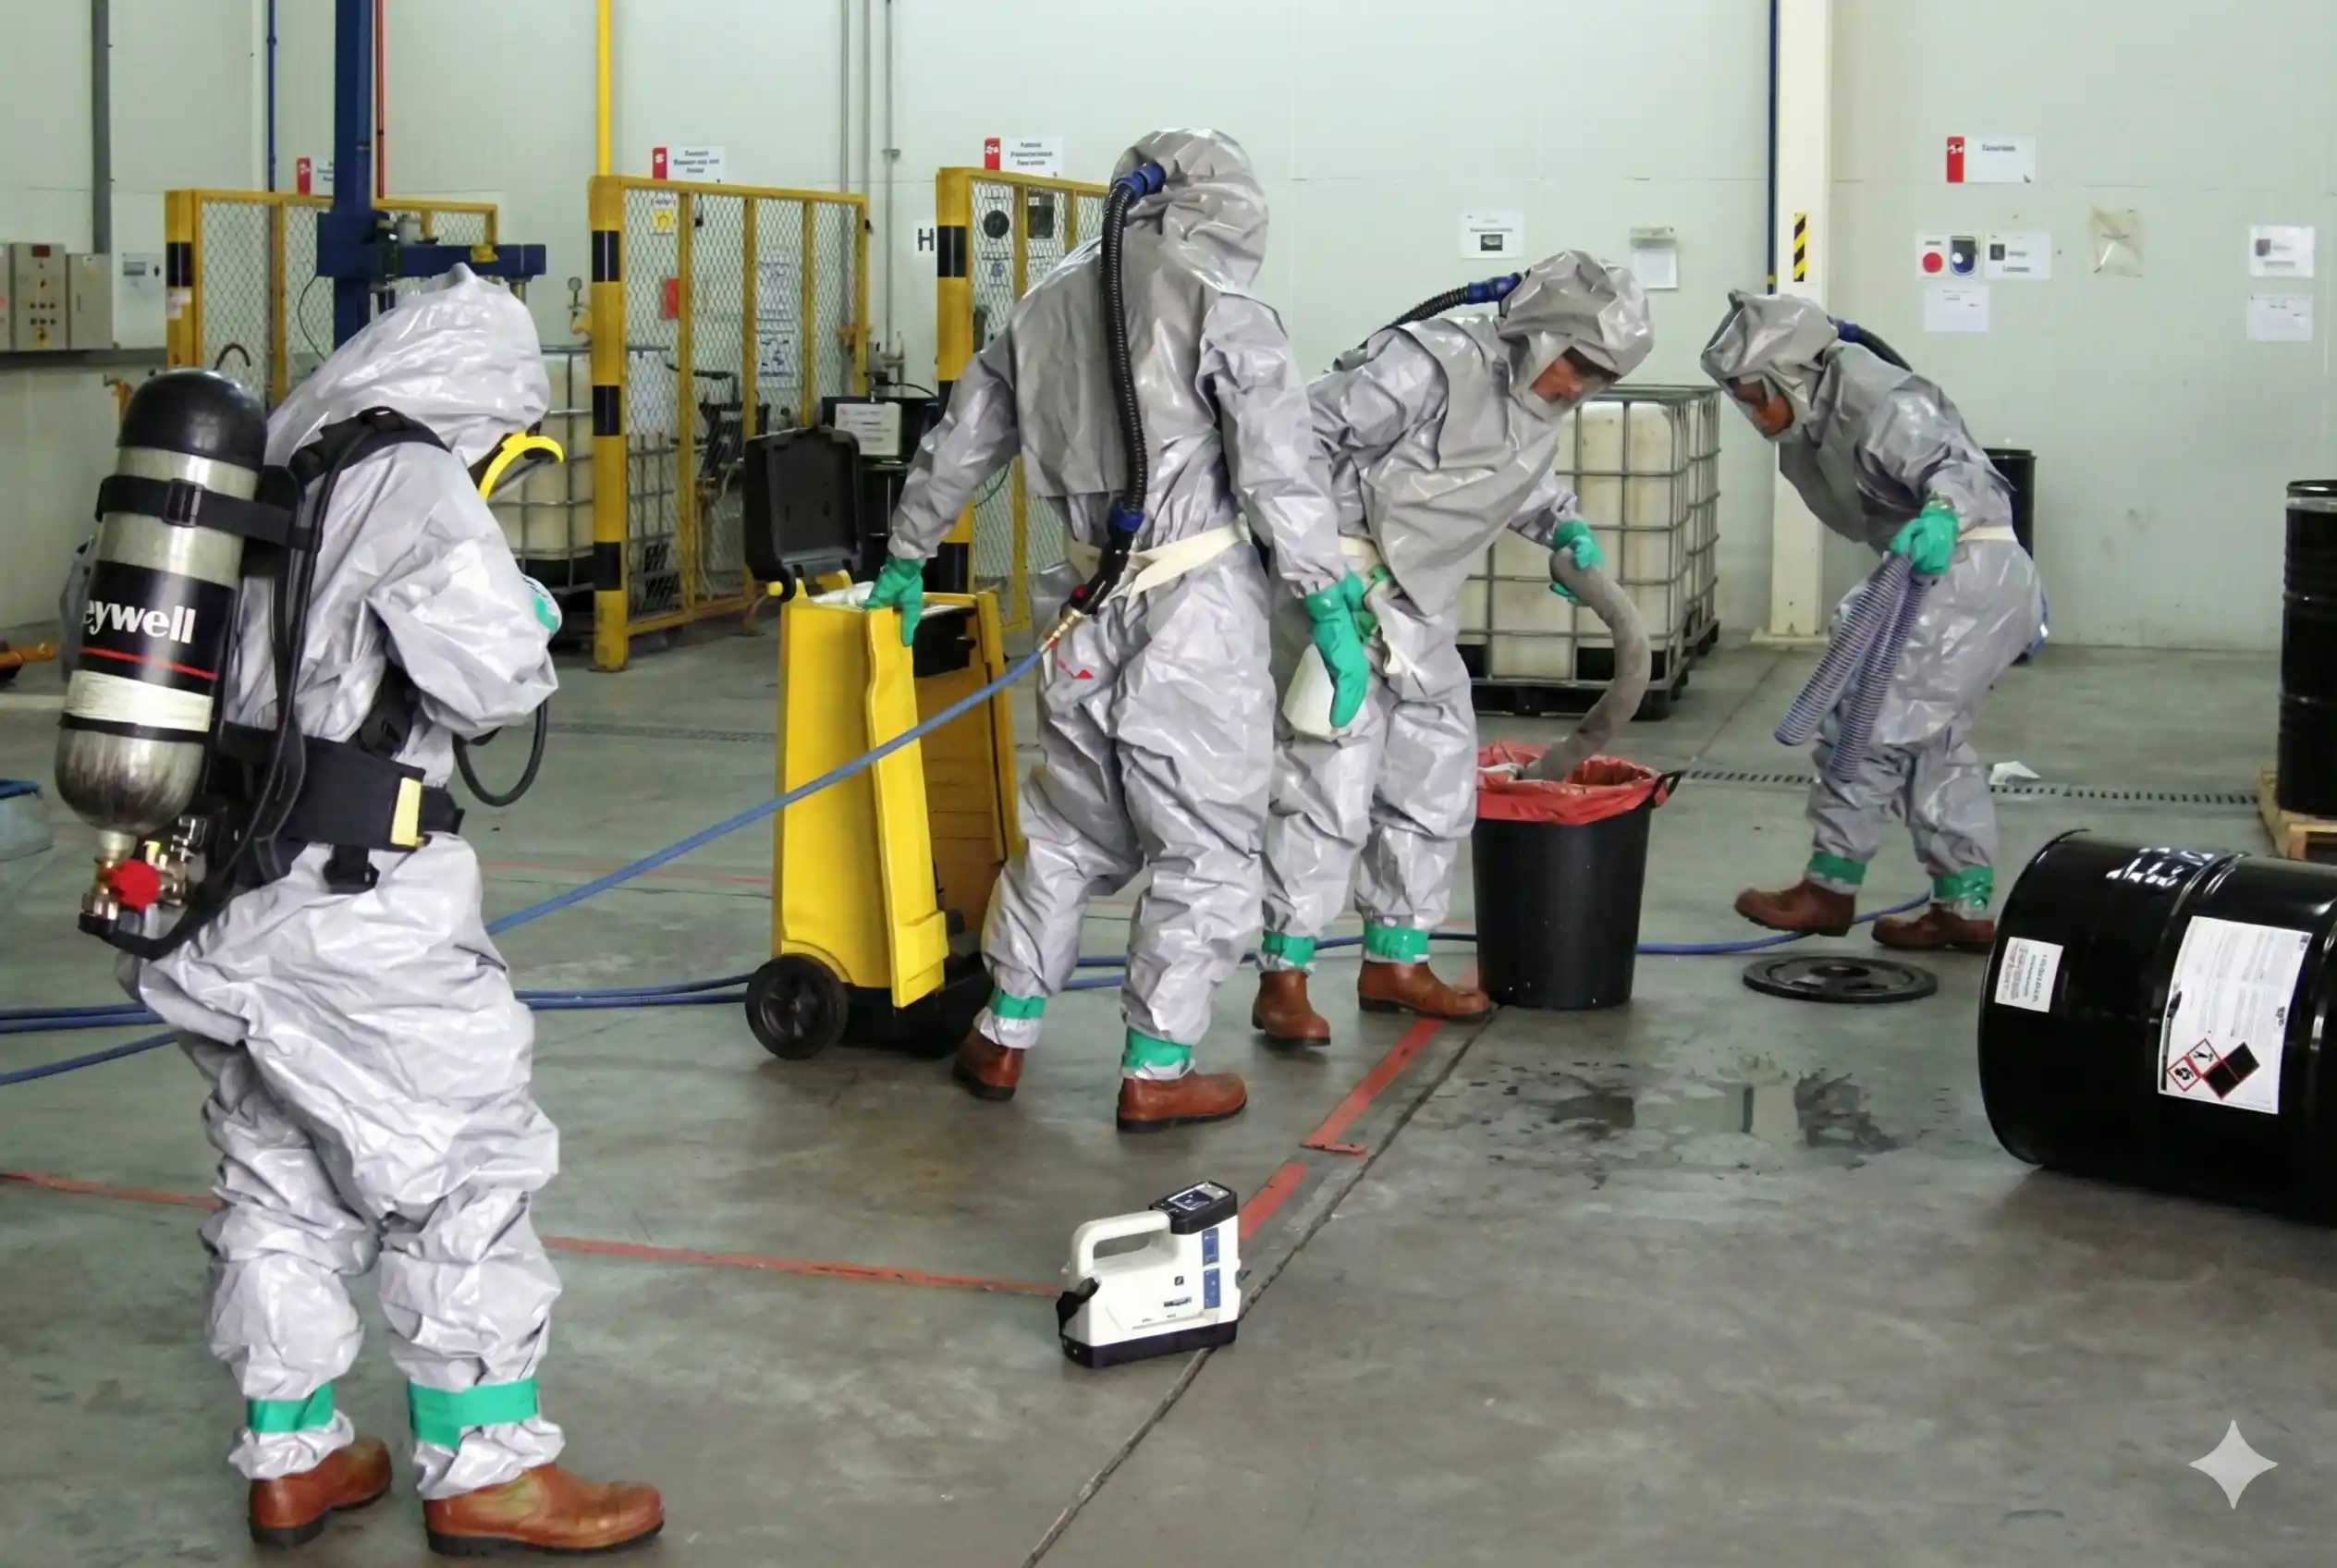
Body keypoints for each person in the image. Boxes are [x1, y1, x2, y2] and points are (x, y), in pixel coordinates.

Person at [131, 270, 663, 1555]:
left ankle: (292, 1453)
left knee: (281, 1167)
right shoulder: (412, 477)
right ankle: (486, 1467)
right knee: (464, 1164)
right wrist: (524, 608)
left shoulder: (269, 459)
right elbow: (489, 682)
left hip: (212, 893)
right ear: (481, 397)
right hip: (351, 911)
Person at [865, 129, 1370, 1132]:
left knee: (1065, 829)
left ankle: (1002, 1033)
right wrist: (1325, 601)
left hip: (1087, 604)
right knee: (1206, 845)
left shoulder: (1047, 298)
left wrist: (907, 554)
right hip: (1195, 611)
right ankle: (1156, 1065)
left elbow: (962, 438)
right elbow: (1276, 466)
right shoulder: (1222, 305)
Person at [1252, 252, 1656, 1044]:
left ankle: (1396, 961)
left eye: (1597, 376)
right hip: (1342, 591)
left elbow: (1508, 470)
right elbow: (1292, 445)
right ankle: (1284, 978)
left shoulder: (1539, 403)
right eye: (1575, 362)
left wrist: (1562, 524)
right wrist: (1320, 575)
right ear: (1540, 332)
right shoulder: (1425, 361)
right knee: (1327, 786)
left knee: (1435, 775)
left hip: (1419, 605)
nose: (1576, 386)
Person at [1700, 289, 2042, 949]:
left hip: (1964, 570)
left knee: (1865, 722)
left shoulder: (1882, 405)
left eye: (1754, 392)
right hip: (1952, 575)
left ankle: (1830, 887)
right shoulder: (1819, 419)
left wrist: (1942, 515)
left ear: (1792, 374)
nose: (1750, 410)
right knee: (1930, 742)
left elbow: (1960, 471)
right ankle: (1963, 904)